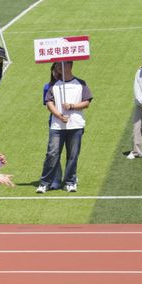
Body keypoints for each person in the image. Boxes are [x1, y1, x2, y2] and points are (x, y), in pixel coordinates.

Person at [36, 61, 93, 193]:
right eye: (57, 65)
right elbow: (49, 103)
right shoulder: (54, 85)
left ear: (70, 65)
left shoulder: (80, 83)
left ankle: (70, 181)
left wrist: (72, 106)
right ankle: (45, 182)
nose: (58, 67)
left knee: (73, 155)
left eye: (62, 64)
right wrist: (59, 115)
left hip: (76, 125)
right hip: (57, 126)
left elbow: (86, 102)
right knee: (52, 153)